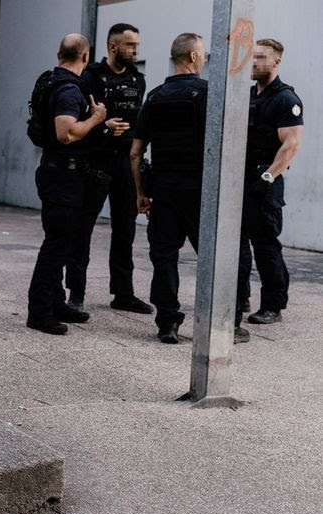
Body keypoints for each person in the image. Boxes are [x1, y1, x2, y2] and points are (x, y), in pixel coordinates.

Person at [66, 23, 152, 315]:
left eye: (137, 45)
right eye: (131, 45)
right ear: (113, 47)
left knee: (125, 230)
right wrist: (103, 126)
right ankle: (75, 294)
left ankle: (123, 293)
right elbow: (75, 123)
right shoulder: (89, 77)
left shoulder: (137, 80)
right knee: (83, 228)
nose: (136, 50)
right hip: (96, 161)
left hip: (127, 163)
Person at [26, 34, 109, 335]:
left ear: (58, 53)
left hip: (56, 173)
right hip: (63, 177)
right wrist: (97, 119)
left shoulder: (52, 81)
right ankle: (39, 312)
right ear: (85, 57)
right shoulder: (69, 90)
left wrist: (96, 123)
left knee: (61, 241)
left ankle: (57, 302)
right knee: (56, 245)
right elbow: (66, 133)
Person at [129, 33, 209, 344]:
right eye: (201, 54)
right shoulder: (208, 93)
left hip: (163, 189)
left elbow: (135, 152)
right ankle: (221, 321)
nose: (202, 59)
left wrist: (140, 193)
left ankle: (167, 322)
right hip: (200, 190)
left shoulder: (155, 97)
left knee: (164, 256)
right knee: (212, 257)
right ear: (192, 57)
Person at [236, 38, 303, 327]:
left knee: (265, 245)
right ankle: (240, 297)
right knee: (237, 244)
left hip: (265, 180)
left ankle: (273, 304)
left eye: (261, 57)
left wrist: (267, 177)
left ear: (276, 62)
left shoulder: (286, 99)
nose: (254, 62)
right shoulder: (248, 95)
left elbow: (291, 144)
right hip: (241, 179)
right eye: (252, 57)